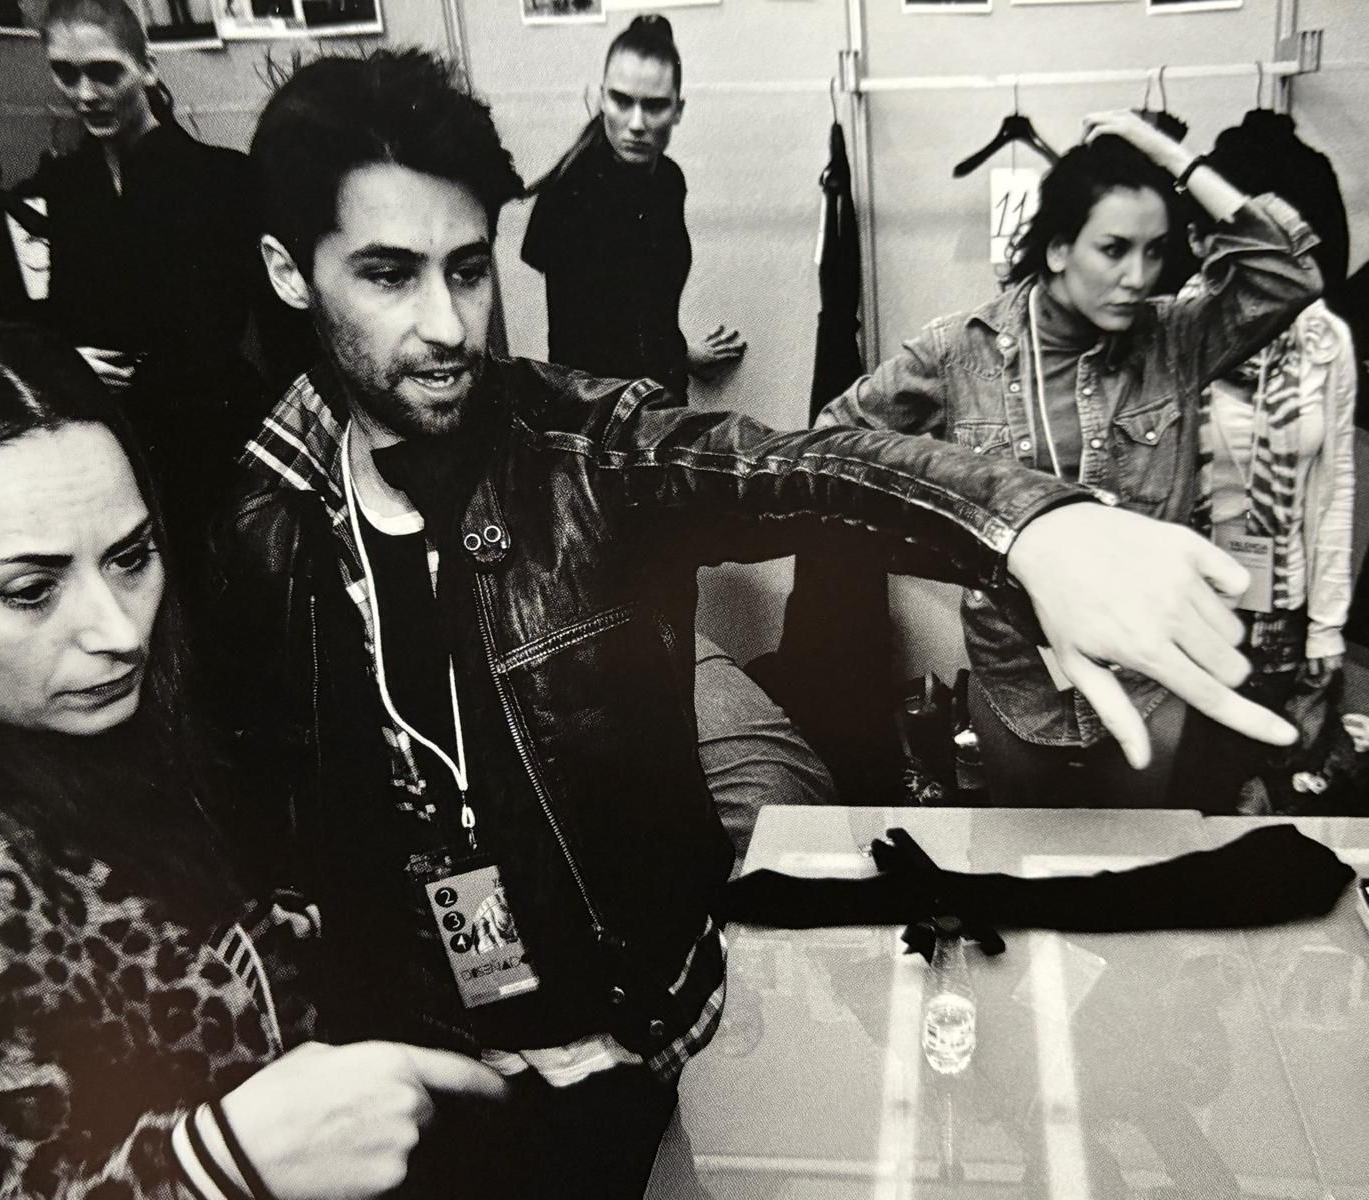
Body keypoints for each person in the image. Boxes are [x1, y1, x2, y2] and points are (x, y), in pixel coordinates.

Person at [217, 49, 1295, 1194]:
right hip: (419, 1070)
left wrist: (1032, 528)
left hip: (630, 1037)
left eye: (468, 271)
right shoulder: (259, 514)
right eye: (388, 275)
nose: (447, 326)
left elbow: (799, 470)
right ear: (291, 273)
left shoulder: (588, 451)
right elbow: (270, 809)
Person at [0, 319, 507, 1200]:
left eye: (130, 557)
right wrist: (208, 1170)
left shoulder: (75, 736)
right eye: (29, 590)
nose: (119, 633)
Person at [820, 112, 1324, 808]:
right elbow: (832, 443)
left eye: (1153, 252)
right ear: (1058, 249)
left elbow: (1289, 275)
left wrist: (1164, 154)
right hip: (1019, 681)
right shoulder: (957, 353)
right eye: (1114, 249)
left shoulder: (1175, 337)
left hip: (1147, 674)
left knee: (1139, 870)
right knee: (1028, 873)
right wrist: (948, 547)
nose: (1137, 276)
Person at [27, 0, 270, 544]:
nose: (85, 93)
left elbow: (250, 325)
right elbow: (58, 313)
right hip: (108, 436)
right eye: (66, 73)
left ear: (147, 67)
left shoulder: (222, 178)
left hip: (211, 437)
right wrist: (66, 364)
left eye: (105, 72)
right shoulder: (64, 185)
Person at [1172, 145, 1357, 812]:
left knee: (1263, 792)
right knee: (1186, 785)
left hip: (1281, 607)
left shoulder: (1323, 340)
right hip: (1189, 598)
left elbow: (1334, 484)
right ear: (1198, 240)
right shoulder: (1175, 330)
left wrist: (1327, 625)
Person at [521, 15, 744, 403]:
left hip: (663, 400)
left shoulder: (669, 181)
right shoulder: (570, 193)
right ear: (600, 98)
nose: (637, 124)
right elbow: (589, 339)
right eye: (622, 101)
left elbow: (647, 306)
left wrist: (681, 356)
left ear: (679, 110)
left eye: (655, 106)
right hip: (597, 417)